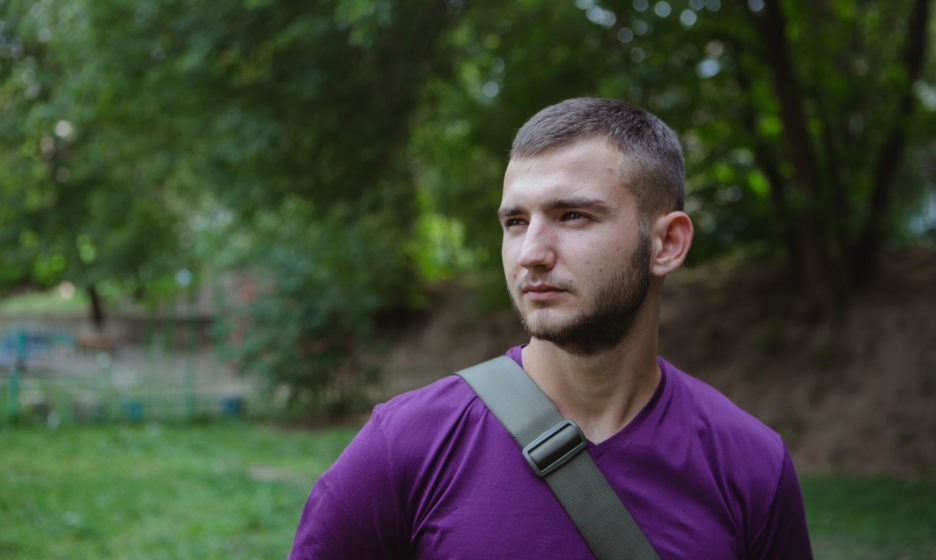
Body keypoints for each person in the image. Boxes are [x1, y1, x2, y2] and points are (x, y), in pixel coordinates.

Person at [288, 98, 813, 559]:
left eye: (573, 215)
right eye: (516, 222)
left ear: (668, 243)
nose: (531, 254)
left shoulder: (749, 464)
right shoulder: (405, 445)